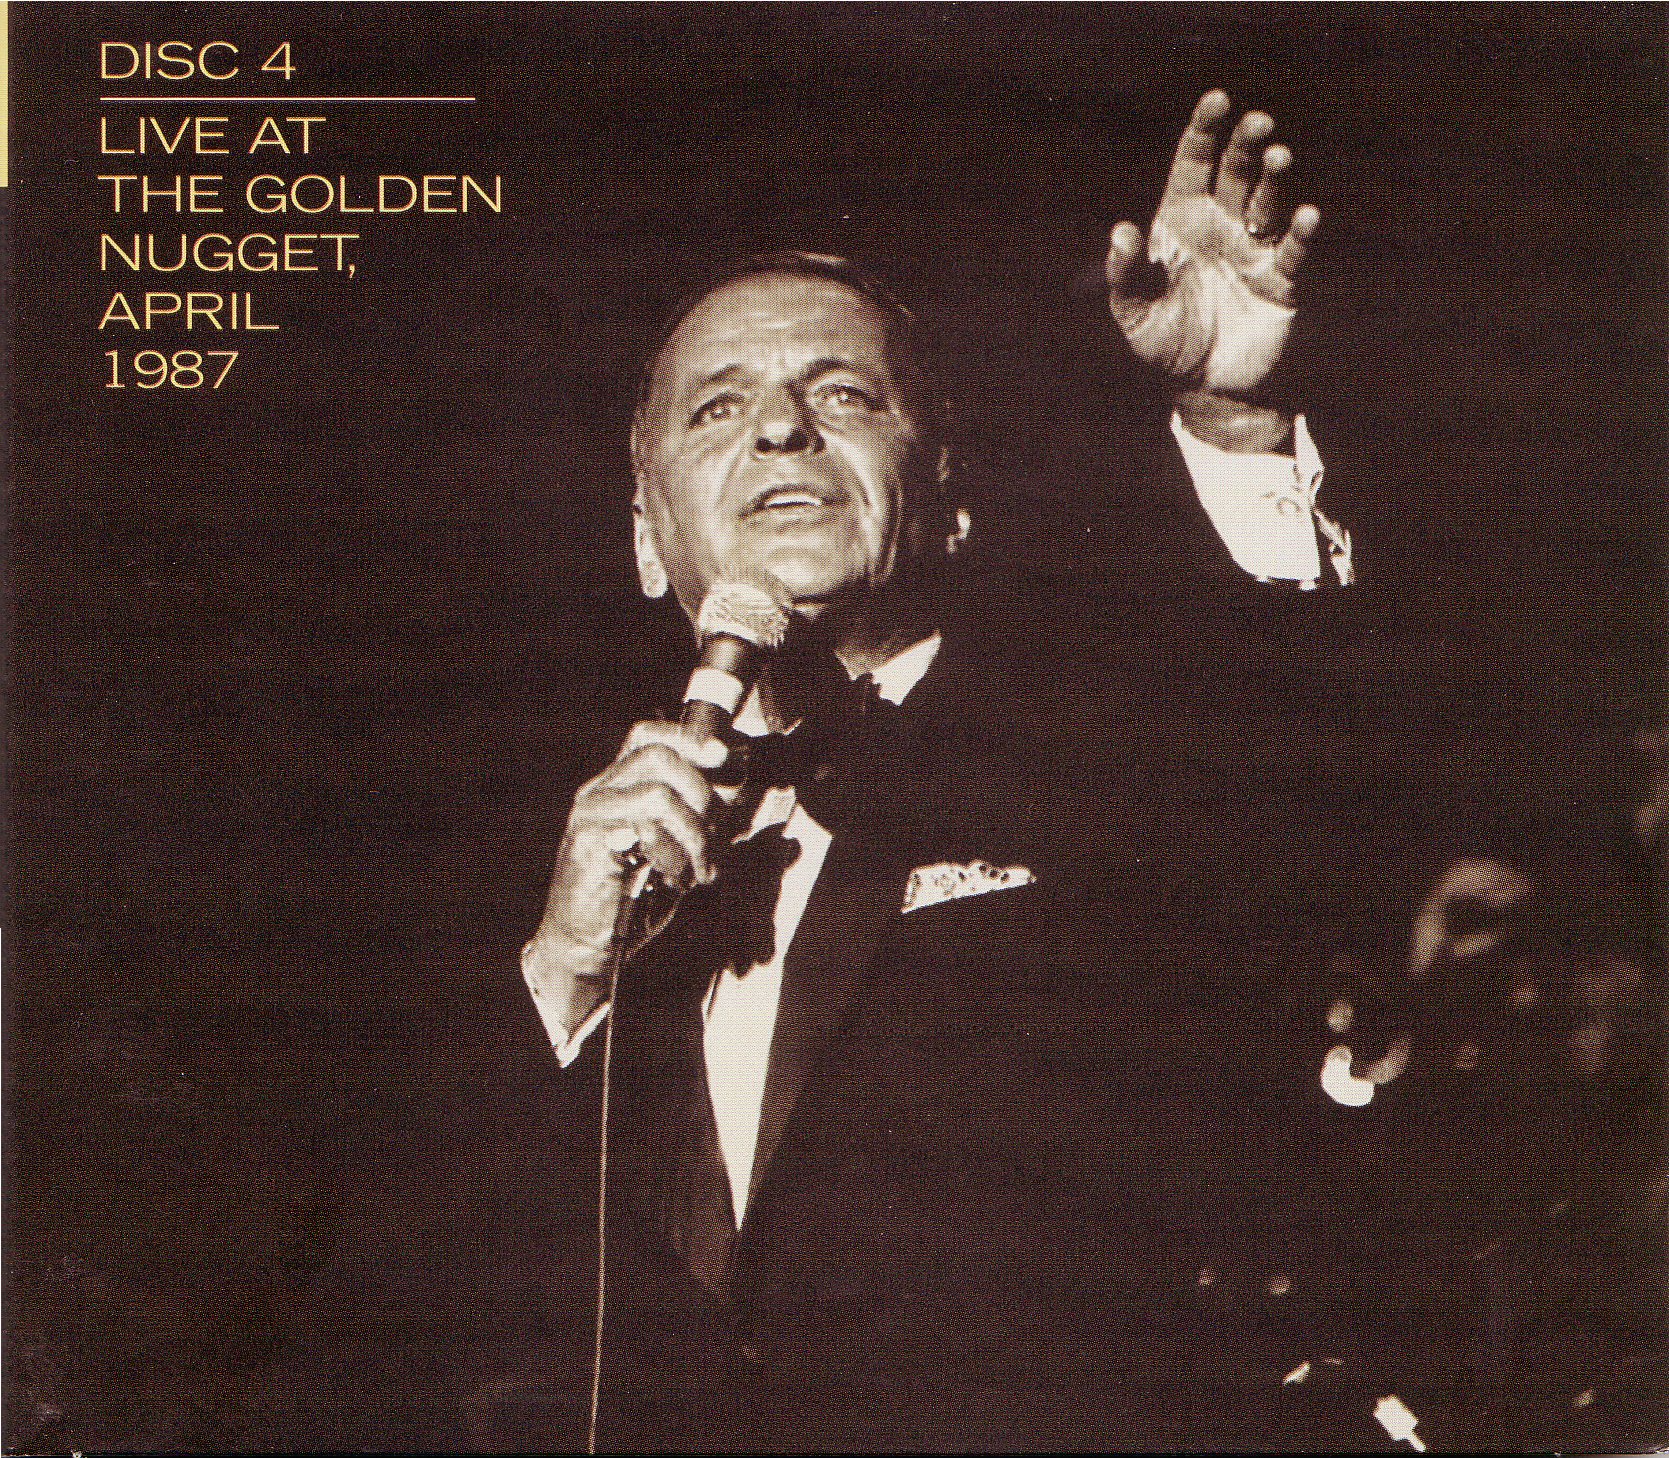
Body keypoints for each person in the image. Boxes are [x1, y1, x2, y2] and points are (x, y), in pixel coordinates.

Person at [515, 91, 1366, 1450]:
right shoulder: (586, 867)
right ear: (643, 534)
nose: (780, 430)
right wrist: (564, 978)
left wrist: (1233, 420)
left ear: (952, 497)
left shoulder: (1121, 749)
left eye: (841, 394)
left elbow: (1317, 778)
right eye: (718, 407)